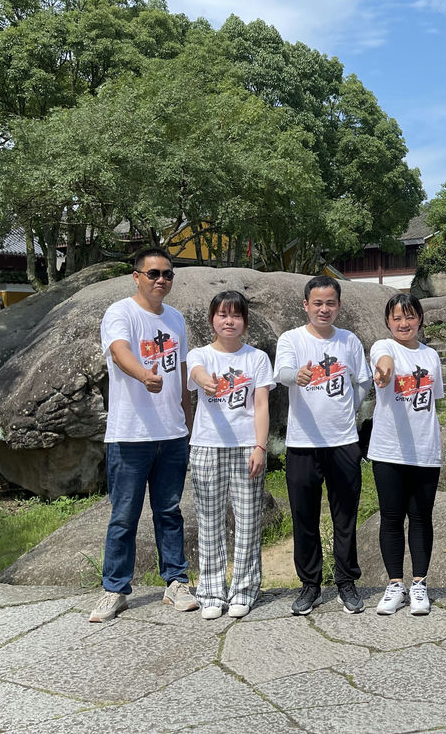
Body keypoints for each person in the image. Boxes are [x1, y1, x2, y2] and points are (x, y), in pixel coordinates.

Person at [90, 247, 197, 622]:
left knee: (169, 512)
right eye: (153, 273)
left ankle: (176, 582)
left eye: (167, 274)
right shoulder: (120, 313)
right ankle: (115, 589)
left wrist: (188, 424)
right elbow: (119, 352)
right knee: (124, 516)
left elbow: (181, 373)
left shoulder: (176, 318)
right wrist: (143, 375)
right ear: (136, 277)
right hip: (129, 434)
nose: (161, 280)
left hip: (171, 434)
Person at [275, 275, 372, 616]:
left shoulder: (349, 341)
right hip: (302, 444)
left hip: (343, 442)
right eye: (317, 303)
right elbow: (283, 372)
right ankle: (310, 585)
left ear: (339, 305)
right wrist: (297, 376)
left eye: (330, 303)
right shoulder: (292, 339)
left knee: (345, 516)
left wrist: (349, 409)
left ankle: (346, 581)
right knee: (304, 516)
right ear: (306, 305)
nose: (324, 309)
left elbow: (363, 381)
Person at [186, 290, 273, 620]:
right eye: (223, 314)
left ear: (245, 322)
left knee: (248, 521)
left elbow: (261, 405)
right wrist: (205, 381)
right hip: (207, 446)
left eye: (236, 315)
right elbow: (196, 372)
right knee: (209, 521)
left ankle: (244, 590)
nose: (229, 321)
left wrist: (261, 446)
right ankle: (211, 592)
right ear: (212, 319)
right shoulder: (200, 355)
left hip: (246, 447)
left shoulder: (257, 358)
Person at [368, 293, 445, 616]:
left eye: (410, 316)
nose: (404, 323)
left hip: (425, 449)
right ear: (388, 322)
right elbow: (383, 362)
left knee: (421, 517)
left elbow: (433, 399)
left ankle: (419, 584)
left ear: (420, 319)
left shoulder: (431, 356)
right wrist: (384, 372)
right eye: (397, 317)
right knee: (391, 517)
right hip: (388, 450)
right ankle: (395, 585)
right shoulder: (383, 347)